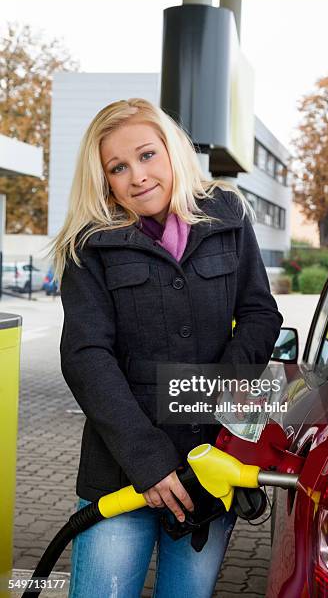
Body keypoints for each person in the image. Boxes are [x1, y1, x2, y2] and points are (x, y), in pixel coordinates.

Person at [50, 98, 283, 598]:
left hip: (210, 469)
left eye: (147, 155)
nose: (137, 176)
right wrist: (148, 459)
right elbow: (87, 356)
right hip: (120, 472)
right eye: (118, 167)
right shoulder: (88, 244)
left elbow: (261, 314)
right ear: (104, 179)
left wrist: (217, 395)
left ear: (173, 150)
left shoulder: (228, 214)